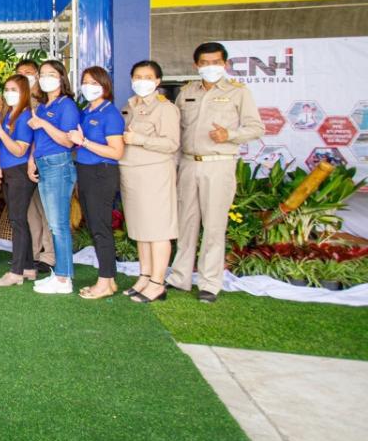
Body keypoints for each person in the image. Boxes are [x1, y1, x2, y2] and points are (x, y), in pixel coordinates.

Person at [167, 42, 264, 303]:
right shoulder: (187, 92)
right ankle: (180, 276)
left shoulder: (238, 93)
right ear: (196, 65)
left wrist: (230, 135)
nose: (210, 67)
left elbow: (256, 128)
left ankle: (209, 283)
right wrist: (173, 167)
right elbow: (178, 132)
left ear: (225, 64)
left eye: (216, 62)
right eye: (205, 63)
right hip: (188, 163)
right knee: (185, 223)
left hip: (218, 163)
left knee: (213, 225)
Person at [120, 60, 181, 304]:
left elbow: (171, 143)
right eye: (137, 77)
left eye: (147, 77)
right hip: (131, 173)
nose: (141, 81)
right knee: (140, 230)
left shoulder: (165, 108)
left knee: (157, 230)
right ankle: (144, 276)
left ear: (157, 81)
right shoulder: (129, 106)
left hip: (154, 173)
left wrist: (140, 139)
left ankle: (158, 282)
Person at [68, 66, 126, 300]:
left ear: (104, 85)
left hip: (102, 172)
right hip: (86, 171)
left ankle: (104, 282)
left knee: (100, 227)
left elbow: (117, 152)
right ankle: (109, 280)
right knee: (95, 225)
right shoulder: (85, 111)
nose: (88, 86)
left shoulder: (109, 113)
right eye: (85, 81)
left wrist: (84, 143)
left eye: (94, 82)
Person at [29, 59, 79, 295]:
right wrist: (31, 161)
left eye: (51, 74)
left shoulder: (66, 105)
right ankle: (58, 273)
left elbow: (68, 141)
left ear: (61, 78)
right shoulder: (41, 105)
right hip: (43, 164)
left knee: (59, 226)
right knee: (54, 223)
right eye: (42, 74)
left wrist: (43, 124)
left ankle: (64, 278)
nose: (45, 78)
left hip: (59, 164)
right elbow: (38, 140)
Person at [0, 75, 39, 287]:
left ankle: (16, 271)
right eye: (7, 89)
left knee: (17, 221)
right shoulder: (8, 114)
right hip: (7, 171)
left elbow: (19, 149)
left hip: (19, 172)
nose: (9, 93)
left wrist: (0, 132)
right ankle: (28, 267)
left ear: (24, 92)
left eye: (14, 90)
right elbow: (0, 145)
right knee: (19, 219)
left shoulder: (26, 116)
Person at [15, 59, 54, 272]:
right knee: (29, 213)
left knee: (46, 210)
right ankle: (33, 253)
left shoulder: (45, 101)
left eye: (29, 73)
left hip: (40, 161)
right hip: (20, 166)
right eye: (20, 74)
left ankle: (49, 256)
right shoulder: (17, 103)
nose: (25, 77)